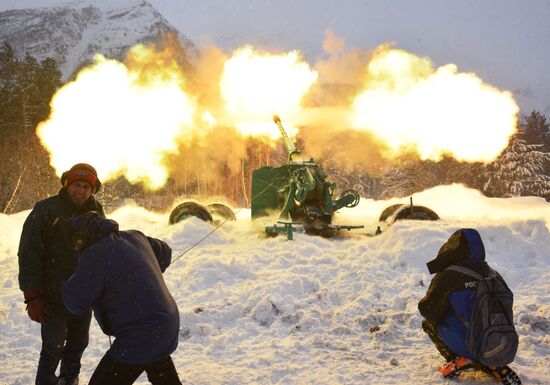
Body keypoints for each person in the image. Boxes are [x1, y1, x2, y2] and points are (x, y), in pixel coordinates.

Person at [62, 211, 182, 385]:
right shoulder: (134, 236)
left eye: (75, 242)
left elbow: (75, 302)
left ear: (81, 237)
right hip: (167, 323)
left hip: (140, 333)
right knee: (158, 366)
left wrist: (61, 281)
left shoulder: (94, 255)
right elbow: (165, 252)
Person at [18, 163, 105, 385]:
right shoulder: (46, 209)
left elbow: (105, 252)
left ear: (92, 190)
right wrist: (33, 295)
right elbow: (29, 253)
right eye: (77, 184)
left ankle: (68, 380)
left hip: (82, 295)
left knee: (78, 343)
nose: (81, 191)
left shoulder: (96, 212)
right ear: (67, 184)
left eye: (86, 186)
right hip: (52, 294)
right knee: (53, 347)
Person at [418, 228, 521, 385]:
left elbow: (427, 309)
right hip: (499, 342)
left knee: (429, 322)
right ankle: (490, 360)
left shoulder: (448, 275)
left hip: (467, 343)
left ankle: (462, 358)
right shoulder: (492, 273)